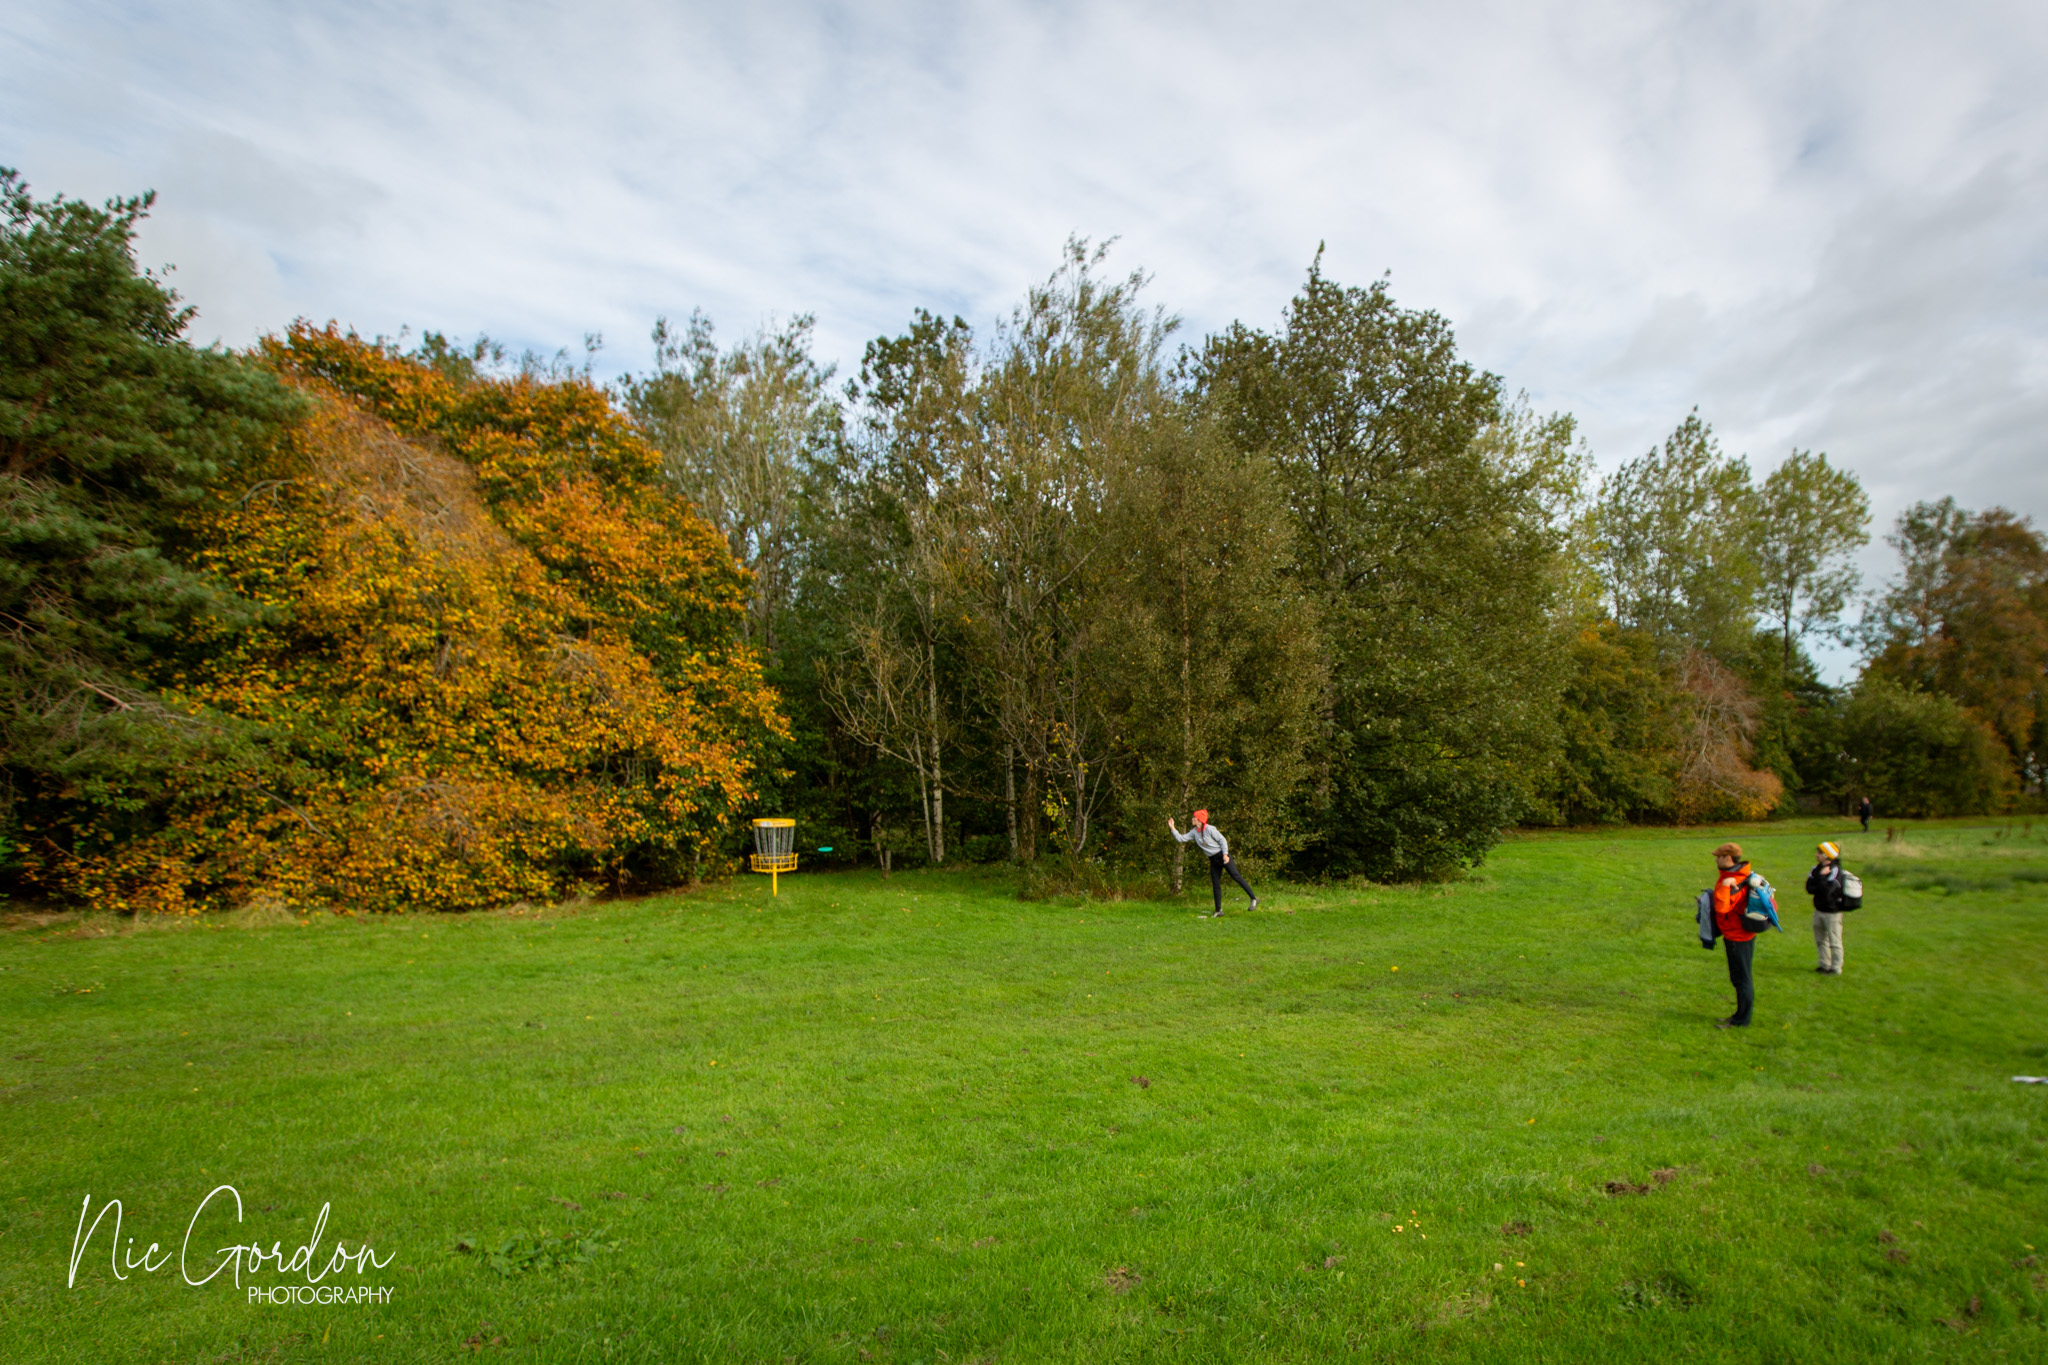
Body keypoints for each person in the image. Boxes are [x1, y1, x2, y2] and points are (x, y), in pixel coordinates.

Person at [1707, 841, 1779, 1028]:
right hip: (1739, 934)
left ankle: (1741, 1020)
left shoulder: (1735, 880)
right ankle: (1739, 1015)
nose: (1716, 860)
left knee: (1742, 979)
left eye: (1719, 857)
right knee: (1739, 978)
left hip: (1737, 936)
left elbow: (1722, 907)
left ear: (1728, 858)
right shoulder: (1739, 874)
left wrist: (1725, 886)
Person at [1168, 809, 1258, 918]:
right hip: (1213, 860)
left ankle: (1254, 898)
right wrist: (1172, 827)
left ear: (1199, 820)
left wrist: (1225, 854)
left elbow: (1222, 840)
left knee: (1236, 877)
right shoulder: (1194, 832)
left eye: (1194, 817)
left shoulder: (1210, 829)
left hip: (1222, 856)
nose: (1192, 819)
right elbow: (1181, 838)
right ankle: (1218, 910)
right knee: (1216, 884)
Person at [1806, 841, 1847, 975]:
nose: (1817, 855)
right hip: (1819, 909)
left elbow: (1828, 890)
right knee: (1820, 940)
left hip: (1832, 912)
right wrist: (1822, 878)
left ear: (1826, 855)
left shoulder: (1836, 871)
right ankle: (1824, 964)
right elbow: (1809, 888)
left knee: (1835, 941)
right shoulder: (1815, 869)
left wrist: (1822, 878)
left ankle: (1836, 967)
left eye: (1820, 853)